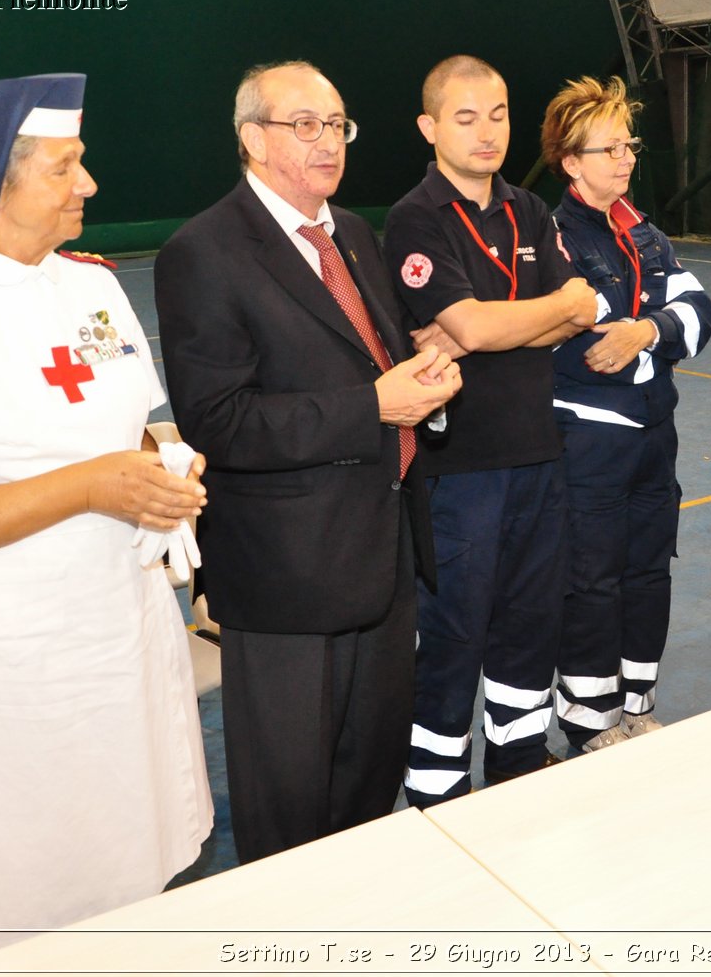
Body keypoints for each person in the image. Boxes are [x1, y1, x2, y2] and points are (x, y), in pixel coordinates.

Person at [0, 74, 212, 955]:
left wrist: (162, 463)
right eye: (65, 167)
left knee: (150, 844)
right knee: (57, 875)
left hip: (128, 613)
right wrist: (93, 484)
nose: (88, 185)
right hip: (26, 644)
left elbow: (135, 423)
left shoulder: (93, 284)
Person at [153, 62, 459, 863]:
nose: (329, 142)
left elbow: (373, 364)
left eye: (338, 124)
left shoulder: (353, 234)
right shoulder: (204, 252)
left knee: (369, 779)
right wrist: (377, 405)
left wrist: (424, 376)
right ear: (254, 139)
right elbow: (219, 420)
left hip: (382, 553)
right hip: (286, 577)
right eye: (306, 125)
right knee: (289, 808)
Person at [385, 55, 599, 805]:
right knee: (453, 636)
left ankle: (515, 771)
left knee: (529, 627)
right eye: (466, 117)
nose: (486, 132)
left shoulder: (531, 211)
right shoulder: (415, 218)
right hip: (457, 470)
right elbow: (477, 324)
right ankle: (435, 794)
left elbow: (581, 307)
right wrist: (530, 317)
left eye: (499, 114)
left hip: (540, 459)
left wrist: (494, 326)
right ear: (430, 127)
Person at [539, 75, 711, 752]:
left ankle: (636, 704)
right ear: (571, 162)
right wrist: (652, 331)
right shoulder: (553, 238)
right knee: (593, 579)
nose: (626, 158)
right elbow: (593, 344)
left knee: (648, 571)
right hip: (589, 443)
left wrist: (649, 332)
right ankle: (589, 721)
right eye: (609, 148)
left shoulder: (644, 233)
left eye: (629, 144)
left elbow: (700, 314)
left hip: (654, 437)